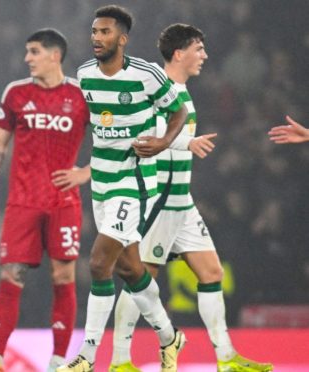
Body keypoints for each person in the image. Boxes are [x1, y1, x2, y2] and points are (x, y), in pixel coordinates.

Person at [108, 23, 274, 372]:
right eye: (199, 49)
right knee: (143, 277)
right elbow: (145, 137)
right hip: (159, 202)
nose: (205, 55)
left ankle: (226, 358)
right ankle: (119, 360)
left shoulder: (182, 91)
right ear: (179, 53)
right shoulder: (158, 90)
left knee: (212, 271)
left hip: (182, 203)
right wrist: (186, 142)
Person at [58, 5, 188, 372]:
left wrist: (162, 143)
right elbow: (85, 123)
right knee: (129, 269)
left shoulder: (146, 75)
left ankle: (87, 355)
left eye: (104, 32)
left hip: (137, 181)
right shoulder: (84, 74)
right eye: (94, 32)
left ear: (122, 38)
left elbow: (177, 112)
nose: (96, 38)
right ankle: (169, 336)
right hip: (102, 180)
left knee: (99, 263)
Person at [0, 29, 91, 372]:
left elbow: (113, 140)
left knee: (63, 276)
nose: (27, 58)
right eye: (27, 51)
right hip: (22, 202)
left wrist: (85, 173)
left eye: (34, 51)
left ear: (55, 55)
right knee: (12, 276)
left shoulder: (82, 94)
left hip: (64, 202)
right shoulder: (16, 93)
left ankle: (58, 359)